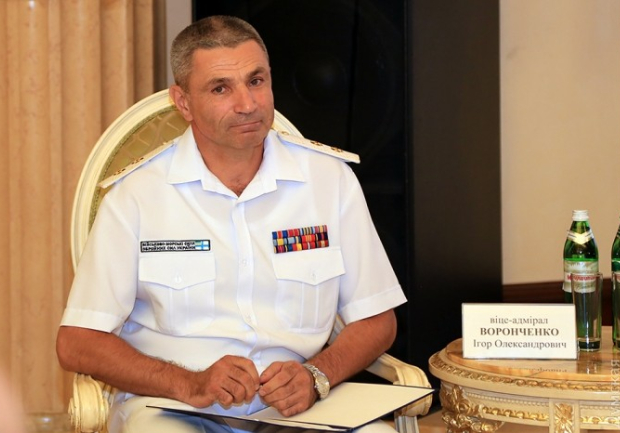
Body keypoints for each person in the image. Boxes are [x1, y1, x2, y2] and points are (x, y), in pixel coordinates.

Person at [56, 15, 407, 433]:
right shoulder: (136, 196)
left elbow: (377, 318)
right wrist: (188, 382)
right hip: (174, 407)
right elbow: (78, 343)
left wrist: (317, 375)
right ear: (183, 102)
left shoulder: (329, 181)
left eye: (256, 81)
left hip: (298, 408)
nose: (247, 104)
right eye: (221, 88)